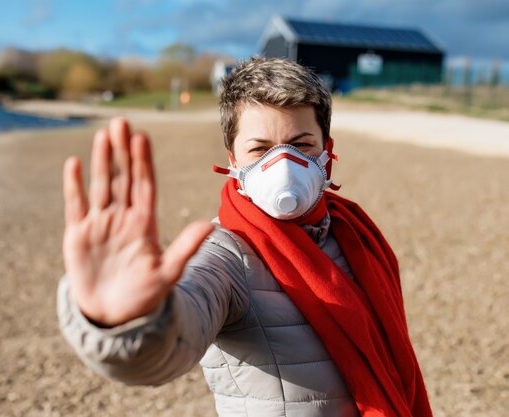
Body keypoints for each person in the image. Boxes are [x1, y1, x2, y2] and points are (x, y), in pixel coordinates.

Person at [57, 57, 433, 417]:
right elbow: (169, 347)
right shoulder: (224, 254)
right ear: (233, 162)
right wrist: (125, 321)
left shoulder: (355, 236)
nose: (282, 164)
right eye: (260, 149)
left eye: (301, 145)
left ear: (327, 151)